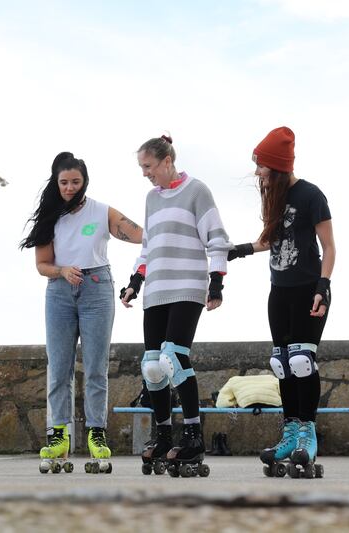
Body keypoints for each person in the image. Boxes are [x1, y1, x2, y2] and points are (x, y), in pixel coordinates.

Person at [21, 152, 142, 474]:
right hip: (60, 292)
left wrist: (169, 229)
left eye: (76, 181)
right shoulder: (49, 216)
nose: (70, 187)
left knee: (95, 368)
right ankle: (58, 434)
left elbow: (136, 233)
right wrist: (61, 271)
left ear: (84, 180)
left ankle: (96, 433)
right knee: (58, 366)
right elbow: (41, 265)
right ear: (55, 182)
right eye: (64, 182)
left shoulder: (101, 212)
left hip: (97, 289)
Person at [228, 126, 335, 478]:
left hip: (308, 288)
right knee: (282, 363)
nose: (258, 172)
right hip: (280, 291)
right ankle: (290, 431)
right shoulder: (272, 196)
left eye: (262, 166)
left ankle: (308, 433)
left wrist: (324, 286)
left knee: (303, 361)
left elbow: (330, 247)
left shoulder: (311, 195)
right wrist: (238, 251)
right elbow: (269, 240)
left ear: (278, 166)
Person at [121, 134, 231, 478]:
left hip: (187, 285)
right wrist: (135, 282)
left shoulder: (197, 191)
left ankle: (194, 435)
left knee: (174, 358)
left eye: (148, 166)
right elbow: (148, 246)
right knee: (152, 367)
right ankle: (164, 433)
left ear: (167, 161)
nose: (145, 173)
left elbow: (216, 237)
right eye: (142, 167)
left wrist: (217, 282)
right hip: (156, 289)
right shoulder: (151, 199)